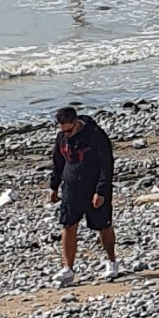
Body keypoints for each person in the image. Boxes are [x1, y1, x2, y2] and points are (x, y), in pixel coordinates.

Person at [49, 102, 117, 283]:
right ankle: (68, 269)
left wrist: (101, 191)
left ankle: (112, 261)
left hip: (94, 187)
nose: (66, 134)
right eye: (63, 130)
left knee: (103, 225)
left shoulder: (95, 135)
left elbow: (107, 165)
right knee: (68, 225)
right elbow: (58, 162)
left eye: (69, 130)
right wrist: (54, 186)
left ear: (76, 123)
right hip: (71, 187)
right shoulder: (61, 137)